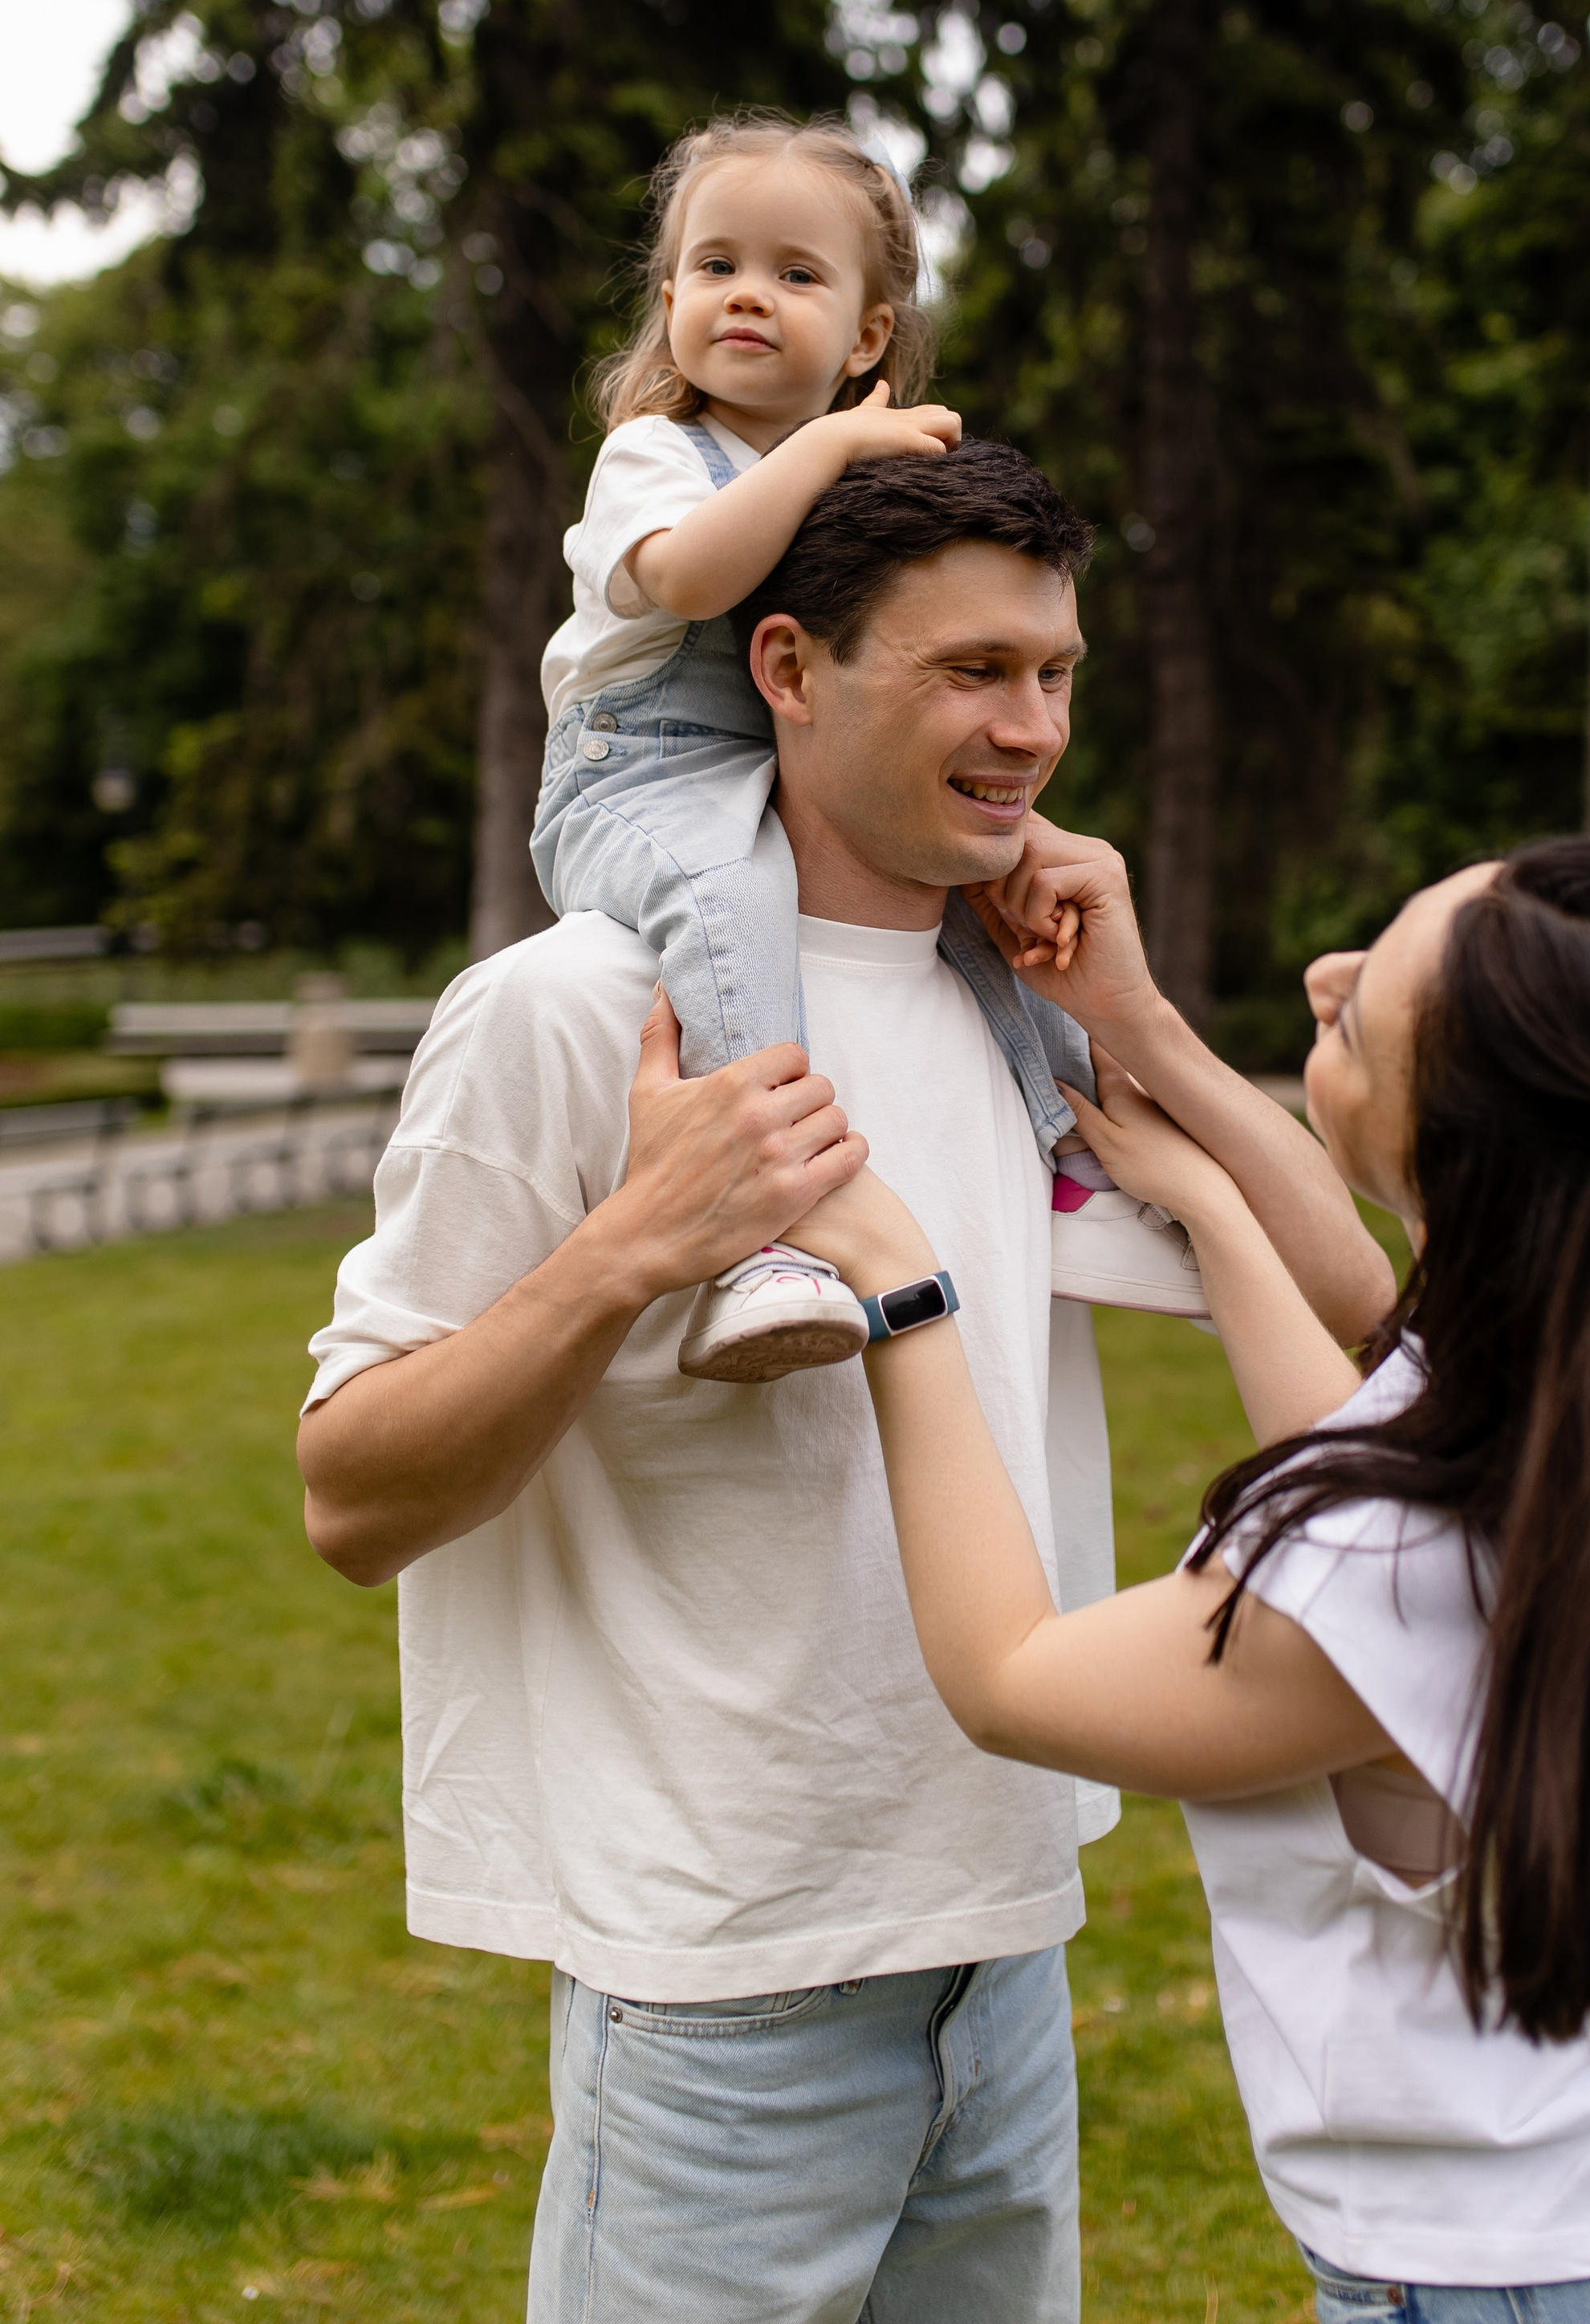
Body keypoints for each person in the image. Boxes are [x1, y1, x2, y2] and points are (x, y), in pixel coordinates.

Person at [298, 441, 1393, 2324]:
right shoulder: (570, 1010)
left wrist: (1130, 1020)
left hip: (1007, 1938)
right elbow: (350, 1497)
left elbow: (1354, 1314)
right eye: (972, 672)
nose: (1030, 729)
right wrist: (639, 1245)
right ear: (789, 670)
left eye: (1054, 673)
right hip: (725, 1976)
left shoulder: (1017, 1010)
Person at [811, 832, 1590, 2322]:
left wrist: (897, 1288)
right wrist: (1181, 1120)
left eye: (1361, 1013)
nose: (1323, 975)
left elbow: (1009, 1675)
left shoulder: (1384, 1571)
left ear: (1473, 1163)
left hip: (1524, 2270)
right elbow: (1373, 1353)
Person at [528, 105, 1203, 1380]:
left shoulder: (858, 488)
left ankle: (1071, 1170)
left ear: (868, 334)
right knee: (730, 898)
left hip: (785, 765)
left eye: (796, 274)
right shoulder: (655, 457)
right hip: (641, 770)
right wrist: (838, 442)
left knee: (988, 897)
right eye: (715, 266)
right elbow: (687, 582)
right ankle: (763, 1235)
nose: (747, 296)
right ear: (668, 296)